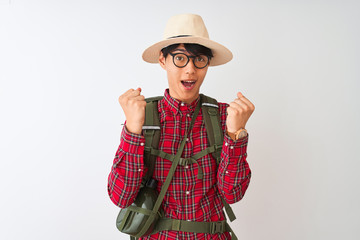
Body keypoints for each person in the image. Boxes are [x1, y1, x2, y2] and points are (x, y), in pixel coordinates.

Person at [108, 13, 255, 240]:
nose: (190, 70)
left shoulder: (226, 116)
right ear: (162, 60)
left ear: (207, 64)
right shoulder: (143, 116)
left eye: (199, 60)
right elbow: (121, 197)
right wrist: (133, 129)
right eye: (179, 58)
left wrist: (236, 134)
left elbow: (233, 193)